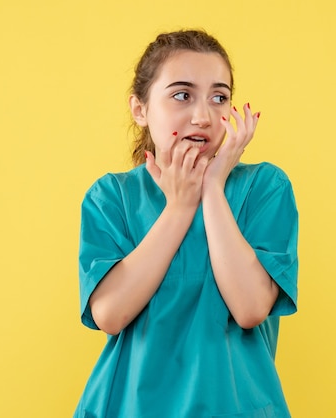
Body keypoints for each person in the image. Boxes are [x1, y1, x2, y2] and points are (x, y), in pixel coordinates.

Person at [75, 29, 299, 418]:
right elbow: (110, 315)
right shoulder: (111, 197)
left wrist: (211, 187)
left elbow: (249, 307)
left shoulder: (264, 187)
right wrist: (179, 207)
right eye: (182, 95)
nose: (203, 116)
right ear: (140, 109)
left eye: (219, 97)